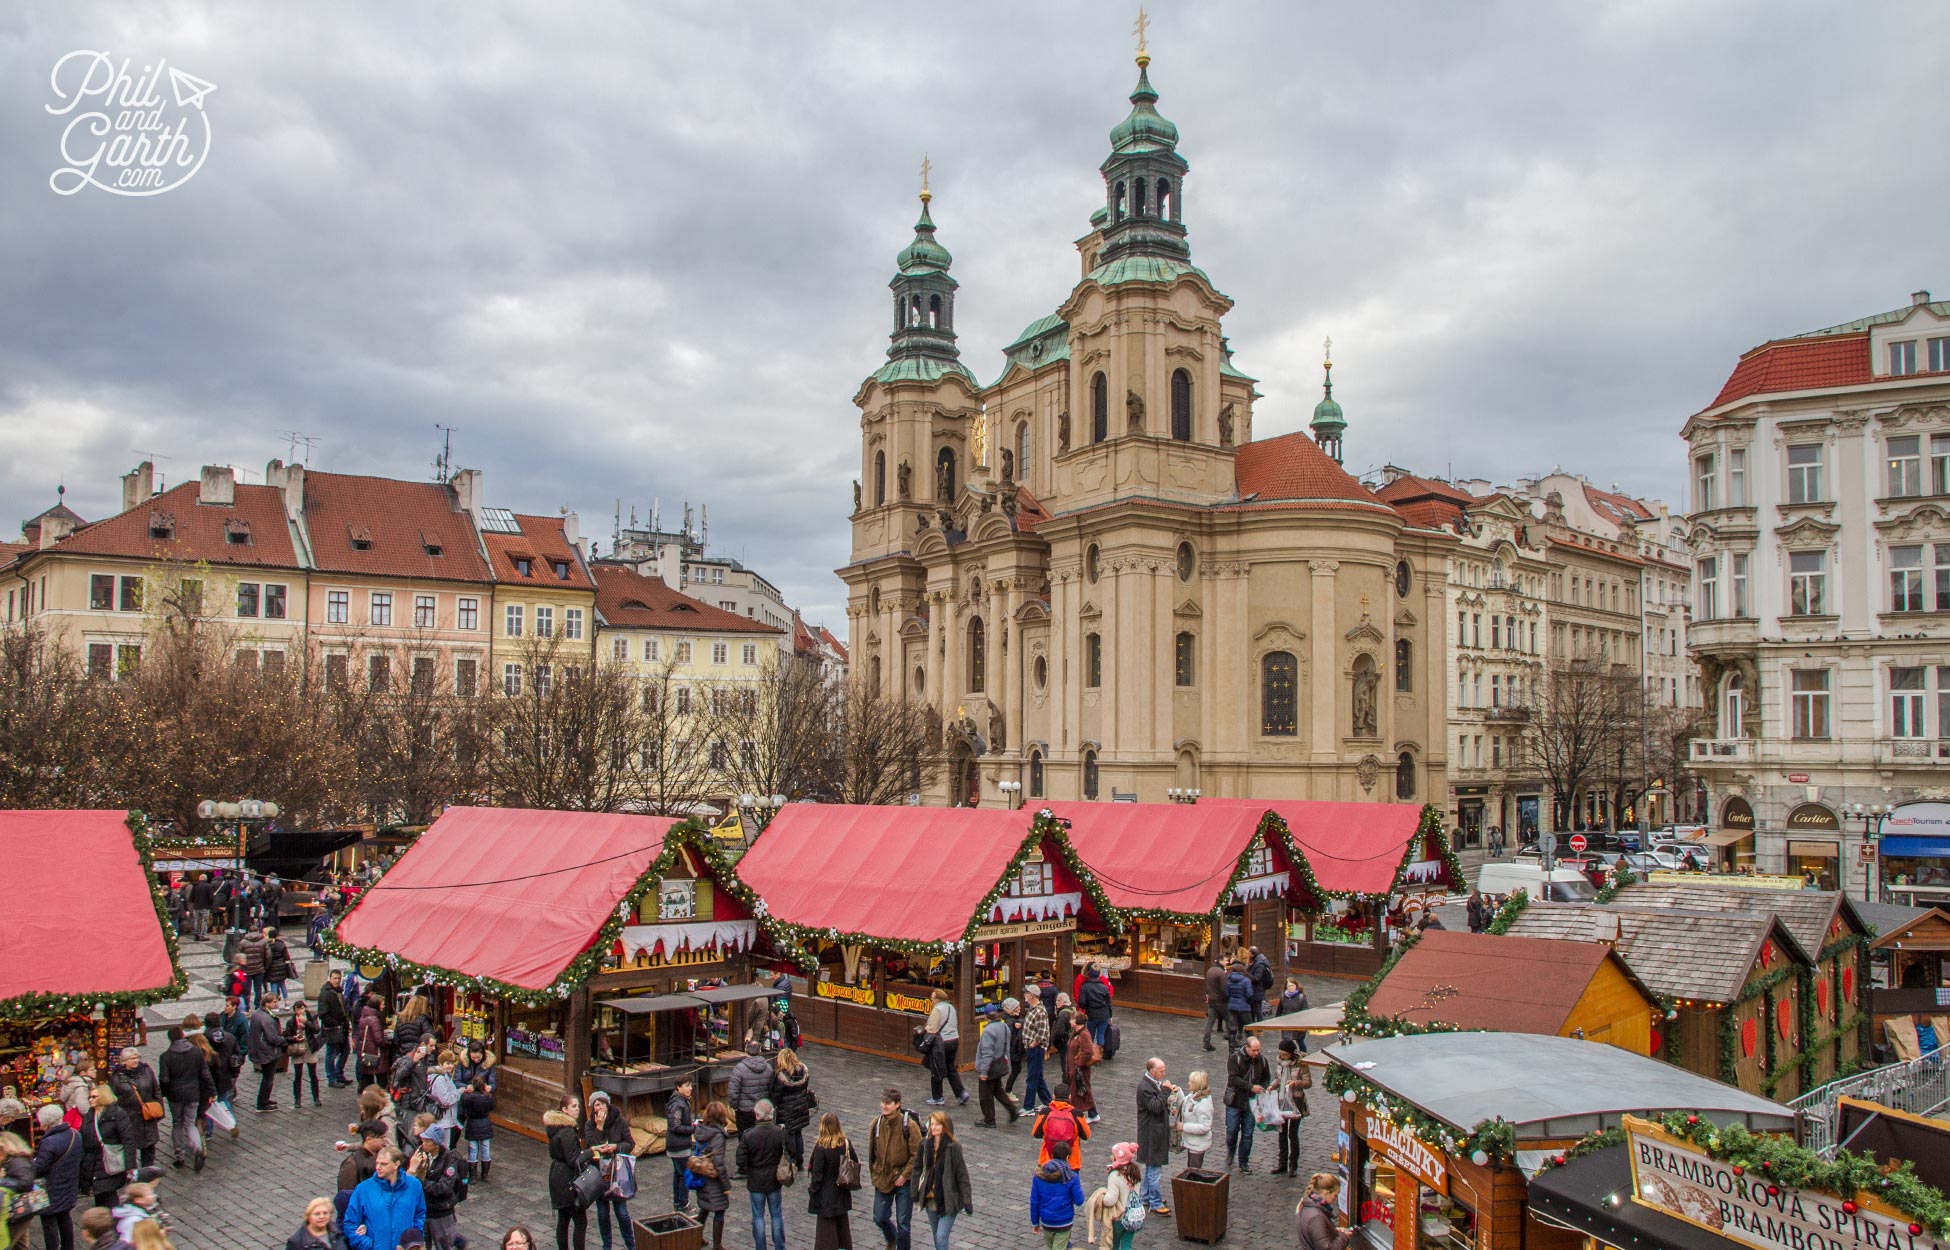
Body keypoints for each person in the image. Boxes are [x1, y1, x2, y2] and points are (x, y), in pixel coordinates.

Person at [867, 1087, 921, 1250]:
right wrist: (875, 1174)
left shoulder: (909, 1126)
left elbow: (917, 1154)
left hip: (904, 1181)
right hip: (883, 1178)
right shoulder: (876, 1124)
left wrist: (905, 1175)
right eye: (883, 1102)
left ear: (897, 1105)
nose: (884, 1106)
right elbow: (872, 1153)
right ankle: (892, 1238)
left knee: (903, 1224)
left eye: (888, 1103)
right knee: (879, 1217)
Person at [149, 1028, 208, 1175]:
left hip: (175, 1095)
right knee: (190, 1122)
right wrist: (209, 1091)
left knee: (177, 1123)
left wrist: (165, 1092)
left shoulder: (166, 1057)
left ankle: (180, 1157)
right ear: (183, 1036)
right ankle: (198, 1148)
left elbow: (164, 1079)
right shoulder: (196, 1052)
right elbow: (204, 1073)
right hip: (193, 1093)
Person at [344, 1147, 425, 1250]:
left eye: (384, 1164)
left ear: (396, 1164)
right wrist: (369, 1245)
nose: (378, 1167)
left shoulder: (414, 1186)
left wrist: (414, 1242)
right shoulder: (363, 1189)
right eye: (377, 1163)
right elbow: (350, 1223)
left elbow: (419, 1215)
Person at [582, 1092, 633, 1250]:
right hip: (599, 1172)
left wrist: (616, 1147)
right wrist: (599, 1127)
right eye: (596, 1105)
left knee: (622, 1212)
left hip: (617, 1170)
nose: (600, 1107)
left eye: (602, 1103)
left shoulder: (620, 1120)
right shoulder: (590, 1124)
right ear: (593, 1109)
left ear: (608, 1104)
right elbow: (590, 1146)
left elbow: (630, 1143)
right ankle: (607, 1246)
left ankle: (631, 1245)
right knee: (602, 1213)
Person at [914, 1111, 970, 1250]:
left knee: (941, 1236)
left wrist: (967, 1200)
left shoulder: (954, 1148)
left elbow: (962, 1176)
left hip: (949, 1200)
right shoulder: (925, 1144)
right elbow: (917, 1168)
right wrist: (915, 1190)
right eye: (932, 1124)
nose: (934, 1127)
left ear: (945, 1126)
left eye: (937, 1124)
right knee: (937, 1237)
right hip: (931, 1199)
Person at [544, 1096, 594, 1250]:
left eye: (578, 1106)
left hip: (557, 1176)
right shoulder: (567, 1132)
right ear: (564, 1110)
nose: (577, 1109)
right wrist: (590, 1151)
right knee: (580, 1221)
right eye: (573, 1106)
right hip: (566, 1179)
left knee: (564, 1218)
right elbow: (573, 1160)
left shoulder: (557, 1128)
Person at [735, 1099, 785, 1250]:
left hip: (756, 1181)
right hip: (774, 1180)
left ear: (756, 1115)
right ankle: (780, 1247)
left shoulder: (748, 1135)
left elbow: (740, 1159)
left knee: (758, 1217)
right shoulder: (778, 1132)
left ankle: (760, 1247)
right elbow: (789, 1152)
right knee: (776, 1215)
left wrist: (748, 1168)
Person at [35, 1102, 85, 1250]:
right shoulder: (75, 1134)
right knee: (65, 1218)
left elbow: (39, 1168)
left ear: (46, 1123)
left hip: (51, 1190)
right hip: (69, 1185)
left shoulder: (49, 1142)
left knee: (49, 1224)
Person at [805, 1112, 858, 1250]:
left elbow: (817, 1176)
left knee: (826, 1237)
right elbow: (855, 1162)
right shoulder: (846, 1143)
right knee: (842, 1232)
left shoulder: (821, 1148)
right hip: (842, 1193)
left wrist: (812, 1193)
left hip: (826, 1197)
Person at [407, 1127, 464, 1250]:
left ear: (436, 1143)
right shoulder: (420, 1154)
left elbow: (443, 1188)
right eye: (423, 1139)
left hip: (441, 1213)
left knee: (444, 1245)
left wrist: (422, 1181)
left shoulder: (449, 1159)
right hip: (423, 1211)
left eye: (428, 1140)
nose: (424, 1143)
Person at [81, 1083, 136, 1207]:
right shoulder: (89, 1115)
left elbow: (128, 1140)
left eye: (94, 1097)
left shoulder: (117, 1114)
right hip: (93, 1162)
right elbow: (84, 1138)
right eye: (89, 1097)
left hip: (110, 1161)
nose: (90, 1099)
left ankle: (114, 1221)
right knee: (100, 1195)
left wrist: (130, 1165)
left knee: (108, 1194)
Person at [107, 1048, 162, 1170]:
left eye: (137, 1057)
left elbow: (156, 1091)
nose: (136, 1060)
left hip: (147, 1117)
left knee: (149, 1147)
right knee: (130, 1148)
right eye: (132, 1058)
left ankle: (148, 1173)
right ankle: (132, 1174)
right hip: (128, 1119)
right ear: (124, 1061)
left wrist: (158, 1109)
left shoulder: (146, 1071)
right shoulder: (117, 1077)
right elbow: (112, 1099)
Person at [1224, 1036, 1270, 1174]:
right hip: (1235, 1100)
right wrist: (1250, 1087)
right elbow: (1233, 1079)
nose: (1257, 1053)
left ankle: (1243, 1162)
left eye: (1258, 1050)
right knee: (1232, 1130)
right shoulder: (1235, 1058)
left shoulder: (1262, 1060)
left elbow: (1266, 1078)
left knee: (1248, 1133)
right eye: (1254, 1050)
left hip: (1252, 1102)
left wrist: (1263, 1087)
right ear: (1247, 1048)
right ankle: (1231, 1151)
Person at [1134, 1058, 1175, 1216]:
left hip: (1154, 1131)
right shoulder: (1145, 1087)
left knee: (1151, 1166)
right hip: (1151, 1133)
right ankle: (1155, 1202)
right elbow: (1155, 1107)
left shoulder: (1152, 1083)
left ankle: (1146, 1196)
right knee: (1154, 1169)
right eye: (1161, 1071)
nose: (1164, 1073)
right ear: (1152, 1071)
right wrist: (1165, 1092)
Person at [691, 1102, 732, 1250]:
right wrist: (726, 1186)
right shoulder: (718, 1135)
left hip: (701, 1176)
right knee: (719, 1211)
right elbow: (719, 1163)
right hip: (713, 1179)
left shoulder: (701, 1130)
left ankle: (697, 1237)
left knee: (704, 1208)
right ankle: (717, 1245)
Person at [973, 1006, 1020, 1127]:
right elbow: (1007, 1046)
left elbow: (987, 1053)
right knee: (998, 1090)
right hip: (1000, 1064)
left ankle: (989, 1119)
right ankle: (1012, 1110)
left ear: (985, 1015)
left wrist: (983, 1072)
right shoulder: (1004, 1026)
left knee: (985, 1095)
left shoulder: (988, 1031)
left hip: (990, 1067)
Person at [919, 990, 966, 1108]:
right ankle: (961, 1093)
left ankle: (937, 1097)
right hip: (954, 1040)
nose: (931, 1000)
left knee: (936, 1068)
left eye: (933, 998)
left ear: (938, 999)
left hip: (941, 1042)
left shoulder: (937, 1009)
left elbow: (933, 1028)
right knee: (951, 1068)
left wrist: (925, 1029)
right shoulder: (951, 1007)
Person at [1271, 1039, 1311, 1176]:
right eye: (1281, 1054)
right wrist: (1272, 1086)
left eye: (1285, 1055)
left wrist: (1296, 1082)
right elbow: (1278, 1079)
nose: (1283, 1057)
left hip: (1296, 1100)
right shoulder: (1279, 1064)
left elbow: (1308, 1082)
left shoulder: (1301, 1064)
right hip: (1282, 1100)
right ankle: (1281, 1163)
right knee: (1281, 1132)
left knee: (1292, 1134)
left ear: (1291, 1054)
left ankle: (1293, 1165)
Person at [1028, 1153, 1084, 1250]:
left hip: (1046, 1222)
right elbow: (1079, 1201)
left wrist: (1035, 1223)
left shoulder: (1038, 1177)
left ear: (1052, 1155)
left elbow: (1034, 1201)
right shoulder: (1071, 1176)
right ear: (1067, 1157)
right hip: (1064, 1222)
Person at [769, 1049, 814, 1168]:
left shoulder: (781, 1076)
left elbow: (776, 1096)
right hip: (801, 1107)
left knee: (790, 1134)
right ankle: (800, 1158)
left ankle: (792, 1159)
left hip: (787, 1110)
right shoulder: (803, 1072)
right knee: (798, 1132)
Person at [337, 1122, 392, 1216]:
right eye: (381, 1138)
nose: (384, 1141)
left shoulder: (383, 1155)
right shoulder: (352, 1164)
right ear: (369, 1139)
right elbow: (347, 1195)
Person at [1030, 1083, 1090, 1169]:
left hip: (1047, 1161)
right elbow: (1086, 1135)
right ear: (1069, 1097)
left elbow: (1036, 1134)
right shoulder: (1077, 1114)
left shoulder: (1045, 1112)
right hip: (1071, 1163)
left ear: (1054, 1096)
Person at [724, 1043, 773, 1140]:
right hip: (762, 1110)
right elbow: (772, 1090)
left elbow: (733, 1092)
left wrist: (735, 1106)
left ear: (746, 1050)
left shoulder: (739, 1069)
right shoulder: (768, 1068)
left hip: (744, 1111)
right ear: (760, 1051)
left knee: (744, 1138)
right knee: (762, 1138)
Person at [663, 1076, 695, 1215]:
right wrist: (693, 1129)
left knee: (679, 1174)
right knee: (684, 1175)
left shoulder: (682, 1102)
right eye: (687, 1085)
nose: (690, 1088)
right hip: (679, 1146)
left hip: (678, 1144)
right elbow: (675, 1126)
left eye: (691, 1085)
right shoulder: (678, 1104)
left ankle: (678, 1203)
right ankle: (683, 1204)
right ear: (678, 1087)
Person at [249, 994, 286, 1112]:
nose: (276, 1004)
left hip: (259, 1050)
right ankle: (262, 1103)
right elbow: (273, 1038)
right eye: (274, 1002)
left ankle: (264, 1099)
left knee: (267, 1077)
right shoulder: (266, 1018)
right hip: (267, 1052)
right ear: (267, 1003)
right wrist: (284, 1039)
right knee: (268, 1078)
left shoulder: (257, 1013)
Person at [1297, 1173, 1353, 1250]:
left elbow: (1319, 1236)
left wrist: (1335, 1231)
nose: (1335, 1199)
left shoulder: (1309, 1207)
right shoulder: (1316, 1217)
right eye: (1335, 1195)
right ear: (1326, 1193)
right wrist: (1343, 1236)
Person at [286, 1001, 325, 1109]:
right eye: (298, 1009)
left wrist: (306, 1022)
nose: (300, 1011)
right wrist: (294, 1038)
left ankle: (316, 1097)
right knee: (298, 1075)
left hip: (309, 1047)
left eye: (302, 1009)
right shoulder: (291, 1021)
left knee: (313, 1074)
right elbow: (286, 1036)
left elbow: (317, 1030)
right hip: (297, 1049)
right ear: (295, 1010)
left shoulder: (310, 1017)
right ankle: (297, 1099)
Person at [319, 970, 353, 1089]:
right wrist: (335, 1023)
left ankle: (339, 1074)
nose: (337, 980)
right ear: (330, 978)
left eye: (339, 978)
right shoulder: (325, 993)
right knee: (331, 1054)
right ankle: (332, 1078)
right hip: (333, 1029)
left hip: (342, 1027)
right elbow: (323, 1014)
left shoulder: (339, 991)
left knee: (345, 1051)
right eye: (335, 978)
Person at [459, 1076, 496, 1184]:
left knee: (473, 1149)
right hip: (485, 1123)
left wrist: (466, 1091)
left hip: (472, 1124)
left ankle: (473, 1176)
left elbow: (463, 1101)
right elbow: (492, 1106)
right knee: (485, 1148)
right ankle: (485, 1175)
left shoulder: (468, 1098)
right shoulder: (489, 1097)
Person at [1020, 994, 1053, 1114]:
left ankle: (1028, 1107)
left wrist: (1034, 1043)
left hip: (1036, 1049)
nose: (1024, 995)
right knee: (1038, 1076)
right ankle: (1048, 1102)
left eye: (1026, 993)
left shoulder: (1039, 1011)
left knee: (1032, 1077)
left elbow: (1042, 1031)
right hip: (1032, 1048)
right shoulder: (1033, 1009)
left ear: (1032, 995)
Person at [1064, 1018, 1098, 1125]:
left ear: (1077, 1022)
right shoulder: (1076, 1033)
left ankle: (1079, 1115)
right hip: (1073, 1069)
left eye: (1072, 1019)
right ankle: (1092, 1114)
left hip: (1079, 1070)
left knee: (1080, 1091)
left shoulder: (1083, 1034)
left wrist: (1078, 1063)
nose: (1070, 1021)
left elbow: (1087, 1052)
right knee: (1082, 1090)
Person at [1179, 1071, 1214, 1171]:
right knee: (1191, 1169)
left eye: (1191, 1082)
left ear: (1198, 1084)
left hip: (1197, 1144)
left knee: (1193, 1172)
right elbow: (1184, 1103)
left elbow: (1205, 1127)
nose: (1188, 1083)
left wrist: (1184, 1127)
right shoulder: (1193, 1096)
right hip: (1193, 1142)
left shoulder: (1203, 1103)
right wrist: (1178, 1092)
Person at [355, 994, 388, 1092]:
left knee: (367, 1078)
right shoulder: (374, 1019)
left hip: (366, 1052)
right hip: (375, 1054)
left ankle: (365, 1096)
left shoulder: (365, 1016)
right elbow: (379, 1040)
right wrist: (388, 1042)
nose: (384, 1006)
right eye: (382, 1004)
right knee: (382, 1080)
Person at [1077, 969, 1113, 1048]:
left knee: (1090, 1036)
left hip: (1091, 1014)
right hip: (1104, 1014)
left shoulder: (1085, 986)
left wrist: (1084, 1008)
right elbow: (1108, 1003)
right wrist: (1110, 1016)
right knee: (1101, 1035)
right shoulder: (1104, 987)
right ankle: (1099, 1053)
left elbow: (1082, 1002)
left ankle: (1091, 1054)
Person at [1222, 961, 1253, 1048]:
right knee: (1248, 1026)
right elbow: (1249, 994)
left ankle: (1232, 1044)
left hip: (1232, 1006)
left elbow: (1227, 993)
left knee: (1233, 1026)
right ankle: (1250, 1044)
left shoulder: (1229, 979)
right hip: (1243, 1006)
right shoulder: (1246, 980)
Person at [1201, 958, 1229, 1052]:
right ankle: (1232, 1041)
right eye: (1225, 960)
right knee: (1230, 1020)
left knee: (1210, 1022)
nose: (1227, 962)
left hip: (1212, 1000)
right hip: (1220, 1001)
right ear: (1220, 961)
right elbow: (1224, 988)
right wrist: (1227, 998)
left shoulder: (1210, 970)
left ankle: (1206, 1043)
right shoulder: (1221, 973)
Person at [238, 926, 269, 1008]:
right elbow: (268, 955)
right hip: (259, 969)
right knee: (258, 989)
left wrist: (241, 967)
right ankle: (257, 1006)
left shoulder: (243, 942)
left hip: (246, 970)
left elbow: (239, 955)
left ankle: (246, 1007)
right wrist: (265, 966)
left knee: (246, 991)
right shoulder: (263, 941)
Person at [263, 927, 296, 1003]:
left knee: (273, 986)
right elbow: (287, 956)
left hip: (272, 967)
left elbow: (267, 957)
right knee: (283, 985)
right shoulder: (281, 944)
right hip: (282, 966)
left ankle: (275, 1003)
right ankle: (286, 1003)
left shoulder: (268, 945)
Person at [1245, 946, 1273, 1021]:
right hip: (1254, 991)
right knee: (1253, 1011)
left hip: (1257, 991)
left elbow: (1257, 978)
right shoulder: (1255, 962)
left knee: (1258, 1011)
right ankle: (1252, 1028)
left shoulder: (1259, 964)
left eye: (1248, 953)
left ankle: (1259, 1029)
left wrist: (1246, 974)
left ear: (1252, 954)